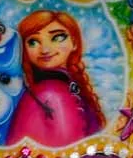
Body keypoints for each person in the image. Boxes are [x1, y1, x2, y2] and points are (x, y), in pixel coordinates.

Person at [7, 10, 105, 148]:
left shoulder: (60, 86)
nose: (45, 49)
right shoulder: (51, 92)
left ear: (74, 42)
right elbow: (67, 150)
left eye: (57, 38)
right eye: (33, 42)